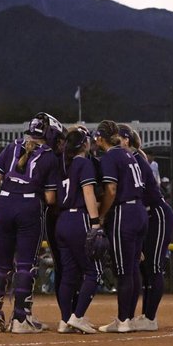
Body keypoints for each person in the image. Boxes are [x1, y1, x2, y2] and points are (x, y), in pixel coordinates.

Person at [0, 113, 63, 334]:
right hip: (29, 208)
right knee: (25, 264)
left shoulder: (11, 148)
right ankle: (20, 319)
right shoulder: (50, 157)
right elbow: (51, 198)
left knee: (0, 265)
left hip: (4, 205)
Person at [93, 119, 148, 334]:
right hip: (139, 211)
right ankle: (129, 318)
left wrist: (102, 215)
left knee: (124, 270)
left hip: (125, 212)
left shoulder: (110, 156)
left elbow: (112, 190)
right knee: (133, 268)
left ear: (100, 138)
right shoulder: (128, 153)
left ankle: (123, 320)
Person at [119, 124, 173, 331]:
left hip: (158, 214)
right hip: (146, 216)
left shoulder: (138, 160)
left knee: (154, 267)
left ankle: (150, 318)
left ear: (127, 140)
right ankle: (142, 315)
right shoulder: (130, 160)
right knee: (143, 267)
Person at [54, 125, 103, 334]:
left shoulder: (62, 164)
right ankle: (78, 316)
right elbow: (89, 192)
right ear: (84, 144)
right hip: (78, 218)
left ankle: (65, 320)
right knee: (94, 272)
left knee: (69, 273)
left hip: (62, 219)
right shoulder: (83, 163)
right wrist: (95, 223)